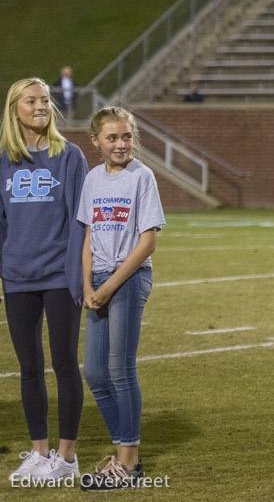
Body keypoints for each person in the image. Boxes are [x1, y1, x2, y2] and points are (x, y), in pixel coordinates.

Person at [0, 78, 88, 484]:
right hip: (17, 278)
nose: (41, 106)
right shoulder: (3, 159)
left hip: (58, 276)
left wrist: (78, 277)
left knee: (65, 363)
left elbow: (80, 222)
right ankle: (38, 452)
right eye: (32, 100)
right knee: (29, 367)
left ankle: (66, 457)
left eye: (46, 100)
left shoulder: (69, 156)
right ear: (14, 108)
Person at [76, 106, 164, 491]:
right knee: (94, 372)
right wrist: (87, 286)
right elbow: (89, 237)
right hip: (97, 281)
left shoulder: (142, 177)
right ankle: (123, 452)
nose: (120, 144)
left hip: (128, 279)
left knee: (119, 369)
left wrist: (110, 285)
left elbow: (148, 241)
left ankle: (127, 464)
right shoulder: (93, 179)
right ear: (96, 141)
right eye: (111, 137)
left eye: (126, 136)